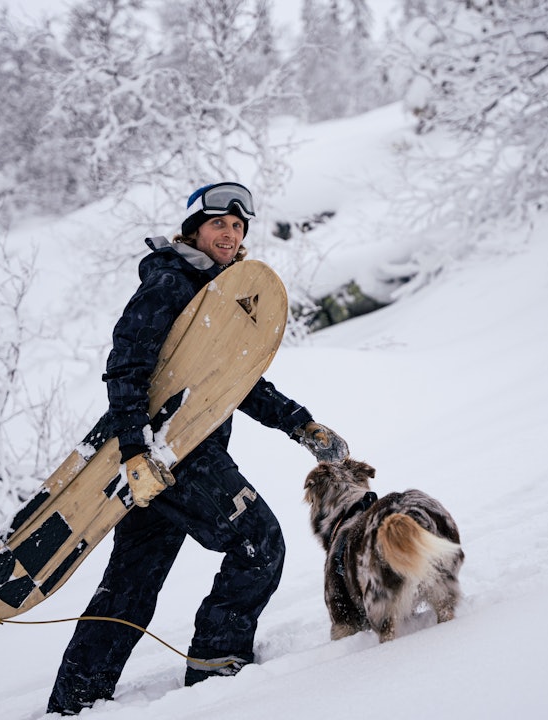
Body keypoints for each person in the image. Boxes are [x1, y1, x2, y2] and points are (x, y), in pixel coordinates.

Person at [46, 181, 349, 715]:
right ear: (193, 230)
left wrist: (301, 424)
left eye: (237, 227)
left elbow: (238, 382)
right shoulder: (169, 283)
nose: (230, 234)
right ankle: (217, 667)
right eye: (219, 225)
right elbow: (127, 368)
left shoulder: (218, 291)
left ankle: (75, 701)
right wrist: (138, 452)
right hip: (173, 455)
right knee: (259, 543)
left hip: (167, 458)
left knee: (131, 585)